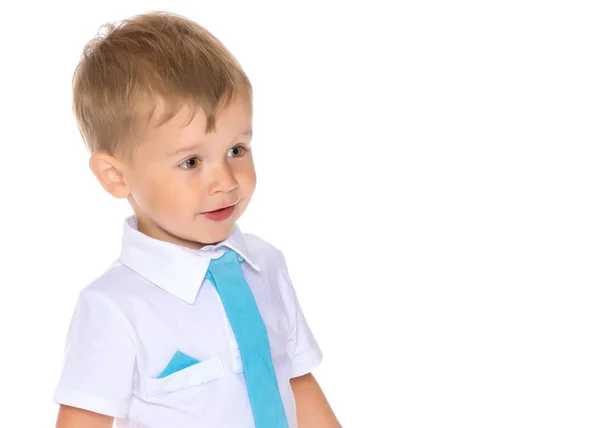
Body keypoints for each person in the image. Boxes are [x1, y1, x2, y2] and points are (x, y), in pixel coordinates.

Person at [54, 11, 340, 428]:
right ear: (116, 176)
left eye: (236, 149)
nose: (225, 181)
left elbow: (296, 382)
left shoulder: (266, 265)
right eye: (191, 161)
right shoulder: (112, 308)